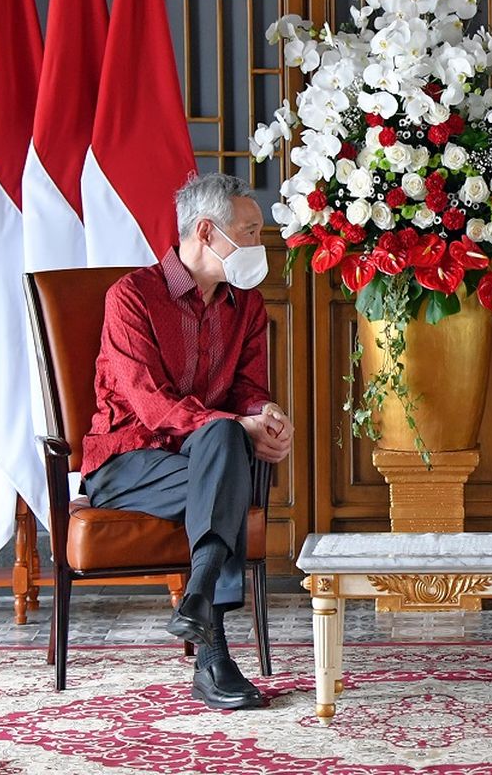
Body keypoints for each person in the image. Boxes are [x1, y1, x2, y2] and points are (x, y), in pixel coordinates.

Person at [81, 172, 293, 710]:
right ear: (207, 232)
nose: (258, 245)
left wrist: (263, 413)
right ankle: (213, 654)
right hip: (127, 461)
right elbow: (149, 405)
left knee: (223, 439)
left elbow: (248, 388)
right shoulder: (131, 297)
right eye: (249, 231)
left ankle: (199, 603)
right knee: (222, 447)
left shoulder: (243, 304)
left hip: (201, 460)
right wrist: (232, 425)